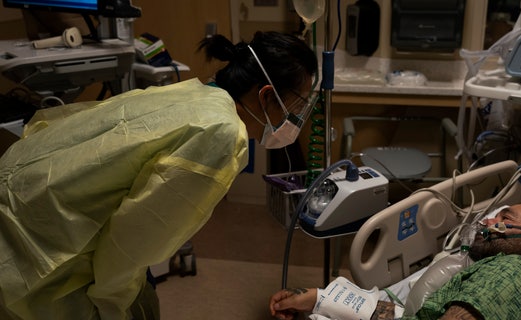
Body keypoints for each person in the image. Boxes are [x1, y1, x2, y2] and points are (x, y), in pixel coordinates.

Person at [0, 31, 318, 320]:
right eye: (296, 105)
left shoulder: (197, 92)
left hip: (21, 190)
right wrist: (114, 307)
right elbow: (132, 240)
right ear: (265, 95)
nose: (296, 118)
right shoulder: (221, 134)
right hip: (36, 243)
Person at [269, 202, 521, 320]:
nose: (489, 221)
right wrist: (321, 301)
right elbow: (407, 315)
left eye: (505, 218)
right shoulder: (499, 275)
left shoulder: (516, 271)